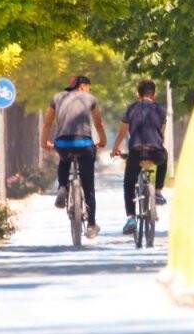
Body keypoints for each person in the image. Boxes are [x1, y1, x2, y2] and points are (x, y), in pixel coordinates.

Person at [42, 75, 107, 238]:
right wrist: (102, 140)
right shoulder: (90, 99)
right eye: (89, 87)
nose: (89, 90)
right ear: (83, 86)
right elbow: (98, 123)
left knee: (64, 160)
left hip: (62, 143)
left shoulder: (57, 98)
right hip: (84, 144)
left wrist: (44, 142)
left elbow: (47, 123)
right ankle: (91, 225)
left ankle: (62, 187)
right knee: (89, 186)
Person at [110, 79, 168, 235]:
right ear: (154, 94)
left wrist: (115, 149)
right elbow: (161, 135)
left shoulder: (131, 109)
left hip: (136, 152)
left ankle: (131, 218)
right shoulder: (161, 110)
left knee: (128, 183)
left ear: (138, 94)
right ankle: (158, 191)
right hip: (155, 152)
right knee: (164, 155)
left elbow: (122, 133)